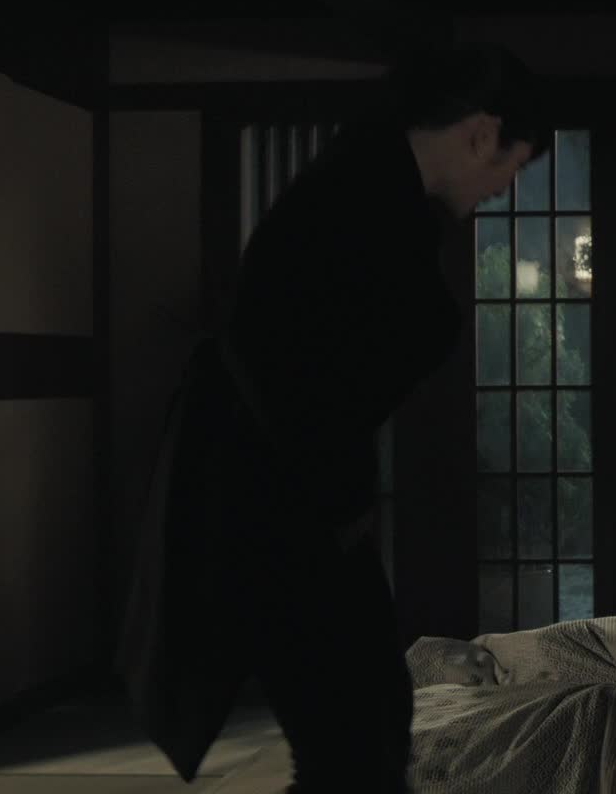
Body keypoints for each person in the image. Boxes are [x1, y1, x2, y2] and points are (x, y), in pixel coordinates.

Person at [114, 44, 549, 794]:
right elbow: (287, 370)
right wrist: (333, 504)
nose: (506, 186)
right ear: (481, 133)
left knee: (366, 722)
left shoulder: (381, 191)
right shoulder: (358, 198)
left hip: (303, 502)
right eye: (514, 164)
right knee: (350, 740)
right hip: (274, 502)